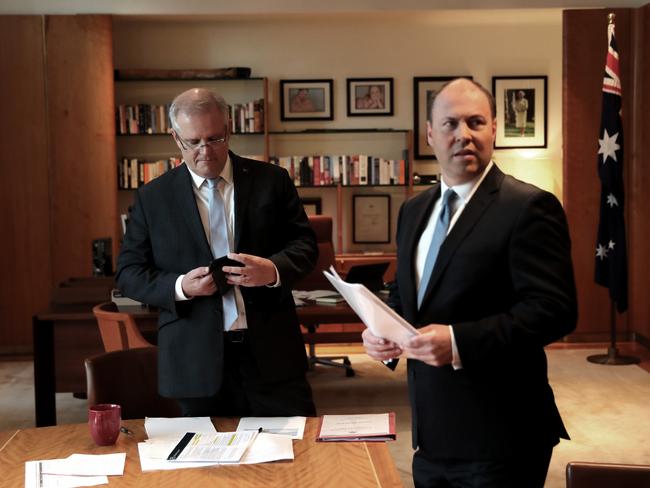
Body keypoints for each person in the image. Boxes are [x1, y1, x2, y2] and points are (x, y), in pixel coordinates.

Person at [362, 78, 577, 487]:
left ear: (494, 128)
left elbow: (555, 312)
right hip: (431, 431)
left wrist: (459, 341)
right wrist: (383, 336)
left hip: (503, 433)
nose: (463, 134)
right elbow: (408, 299)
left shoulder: (529, 207)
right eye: (450, 123)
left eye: (476, 122)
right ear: (430, 133)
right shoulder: (412, 211)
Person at [116, 88, 318, 418]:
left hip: (272, 356)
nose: (206, 152)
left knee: (296, 459)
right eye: (193, 142)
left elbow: (305, 246)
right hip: (193, 363)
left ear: (229, 130)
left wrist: (273, 270)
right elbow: (128, 273)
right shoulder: (154, 198)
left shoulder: (273, 181)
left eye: (214, 139)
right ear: (175, 138)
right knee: (202, 467)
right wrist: (181, 287)